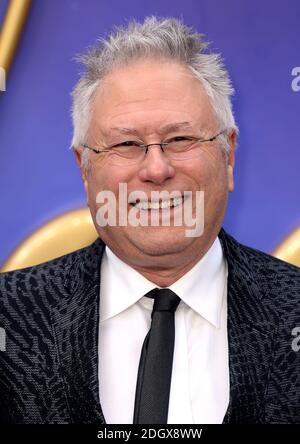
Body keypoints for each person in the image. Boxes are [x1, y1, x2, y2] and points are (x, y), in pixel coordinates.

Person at [0, 17, 299, 425]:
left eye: (180, 139)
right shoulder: (9, 317)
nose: (157, 169)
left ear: (228, 155)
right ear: (85, 170)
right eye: (126, 144)